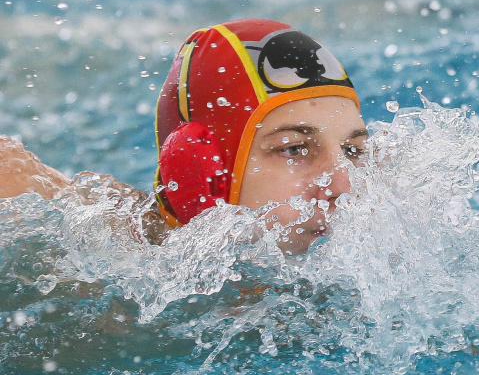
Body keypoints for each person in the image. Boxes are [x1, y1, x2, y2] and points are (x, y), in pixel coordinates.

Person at [0, 19, 368, 255]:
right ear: (203, 172)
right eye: (294, 149)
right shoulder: (85, 258)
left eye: (352, 150)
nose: (343, 185)